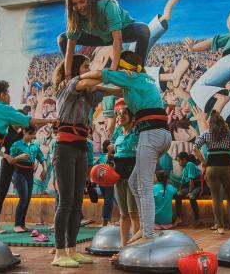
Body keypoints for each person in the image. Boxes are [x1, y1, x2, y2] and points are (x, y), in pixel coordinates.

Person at [77, 50, 172, 245]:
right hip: (163, 135)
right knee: (134, 182)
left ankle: (147, 234)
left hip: (150, 134)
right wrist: (103, 89)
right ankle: (145, 229)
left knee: (144, 187)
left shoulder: (130, 76)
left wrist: (77, 78)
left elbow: (99, 74)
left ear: (124, 68)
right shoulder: (144, 79)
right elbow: (121, 92)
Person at [51, 54, 102, 268]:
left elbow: (98, 86)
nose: (89, 68)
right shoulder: (68, 85)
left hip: (81, 148)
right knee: (66, 201)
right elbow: (95, 79)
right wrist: (109, 74)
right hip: (65, 148)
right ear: (73, 69)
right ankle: (59, 252)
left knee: (77, 203)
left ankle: (72, 249)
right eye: (85, 65)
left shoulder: (85, 95)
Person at [58, 0, 150, 77]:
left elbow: (117, 39)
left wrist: (113, 69)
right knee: (62, 39)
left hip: (121, 32)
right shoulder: (75, 15)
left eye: (82, 2)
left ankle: (139, 71)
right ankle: (74, 73)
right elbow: (70, 48)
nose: (79, 7)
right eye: (75, 4)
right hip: (99, 36)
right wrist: (68, 76)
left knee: (143, 30)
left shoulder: (107, 6)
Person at [0, 80, 57, 201]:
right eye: (7, 93)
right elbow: (29, 120)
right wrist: (50, 120)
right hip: (10, 165)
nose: (9, 96)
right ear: (2, 95)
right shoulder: (3, 109)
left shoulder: (18, 133)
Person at [193, 110, 230, 234]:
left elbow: (195, 147)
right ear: (222, 122)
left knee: (216, 198)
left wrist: (203, 161)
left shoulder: (206, 133)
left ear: (210, 123)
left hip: (212, 168)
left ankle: (220, 227)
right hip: (227, 168)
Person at [10, 125, 46, 233]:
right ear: (25, 132)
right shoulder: (16, 145)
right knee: (23, 198)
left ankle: (22, 224)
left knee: (28, 199)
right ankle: (17, 225)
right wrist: (19, 157)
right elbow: (10, 160)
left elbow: (41, 157)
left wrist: (44, 168)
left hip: (30, 174)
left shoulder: (34, 146)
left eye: (34, 134)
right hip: (19, 173)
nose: (33, 136)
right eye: (31, 134)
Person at [113, 106, 139, 247]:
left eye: (124, 113)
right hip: (118, 177)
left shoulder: (137, 133)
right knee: (123, 214)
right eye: (118, 114)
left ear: (132, 118)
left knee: (133, 213)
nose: (120, 116)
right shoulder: (117, 135)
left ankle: (134, 247)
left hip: (133, 177)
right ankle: (123, 247)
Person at [0, 120, 23, 234]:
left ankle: (20, 224)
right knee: (1, 193)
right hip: (7, 164)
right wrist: (6, 156)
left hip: (19, 165)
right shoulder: (6, 131)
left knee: (24, 195)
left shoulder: (21, 133)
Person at [173, 152, 201, 227]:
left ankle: (197, 220)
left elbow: (191, 180)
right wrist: (179, 191)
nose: (178, 163)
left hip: (197, 186)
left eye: (179, 161)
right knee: (177, 195)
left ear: (184, 159)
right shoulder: (185, 168)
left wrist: (190, 192)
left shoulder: (190, 165)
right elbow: (182, 182)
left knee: (191, 197)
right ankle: (179, 218)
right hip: (189, 187)